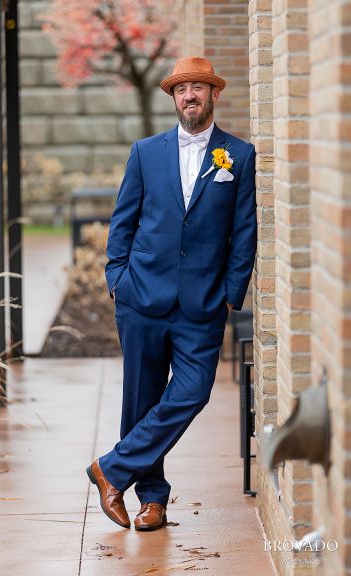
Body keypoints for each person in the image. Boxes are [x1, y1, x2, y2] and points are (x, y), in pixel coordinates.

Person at [85, 57, 257, 531]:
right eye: (182, 90)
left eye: (198, 88)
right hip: (141, 295)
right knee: (140, 399)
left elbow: (244, 233)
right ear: (173, 98)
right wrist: (116, 278)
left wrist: (230, 293)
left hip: (203, 302)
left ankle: (111, 469)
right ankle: (152, 500)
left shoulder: (238, 156)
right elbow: (123, 220)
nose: (190, 97)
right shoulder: (145, 152)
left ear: (213, 94)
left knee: (193, 390)